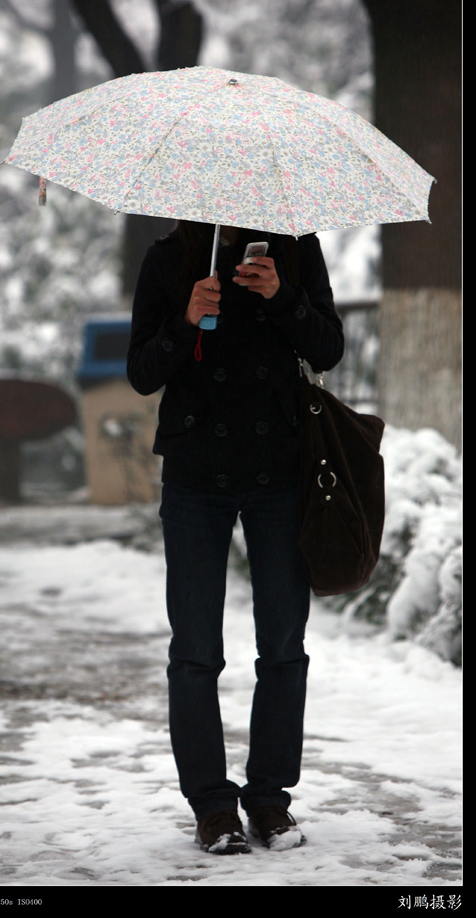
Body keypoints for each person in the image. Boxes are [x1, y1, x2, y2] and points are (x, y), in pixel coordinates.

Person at [126, 220, 344, 854]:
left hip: (280, 472)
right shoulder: (168, 258)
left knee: (283, 645)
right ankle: (213, 808)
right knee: (194, 651)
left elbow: (328, 348)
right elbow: (142, 371)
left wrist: (282, 298)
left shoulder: (295, 251)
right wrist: (186, 319)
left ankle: (271, 802)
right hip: (196, 477)